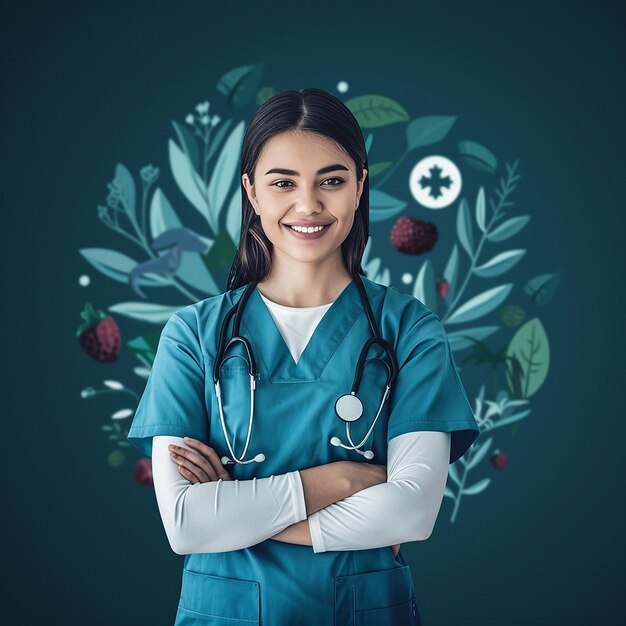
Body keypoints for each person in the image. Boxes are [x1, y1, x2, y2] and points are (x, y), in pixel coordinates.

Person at [127, 87, 480, 625]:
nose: (309, 205)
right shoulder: (192, 335)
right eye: (283, 182)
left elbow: (413, 511)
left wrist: (236, 508)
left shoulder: (410, 331)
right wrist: (341, 480)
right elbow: (185, 525)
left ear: (360, 186)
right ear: (251, 191)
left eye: (332, 181)